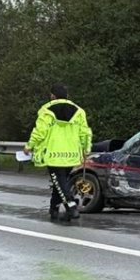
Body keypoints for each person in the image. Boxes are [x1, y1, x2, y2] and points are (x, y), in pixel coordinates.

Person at [23, 84, 93, 221]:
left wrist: (30, 145)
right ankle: (53, 209)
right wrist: (86, 149)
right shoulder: (79, 111)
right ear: (67, 95)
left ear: (52, 96)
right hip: (71, 154)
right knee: (60, 182)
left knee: (59, 182)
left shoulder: (46, 110)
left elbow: (39, 132)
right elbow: (85, 133)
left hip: (54, 153)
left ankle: (71, 206)